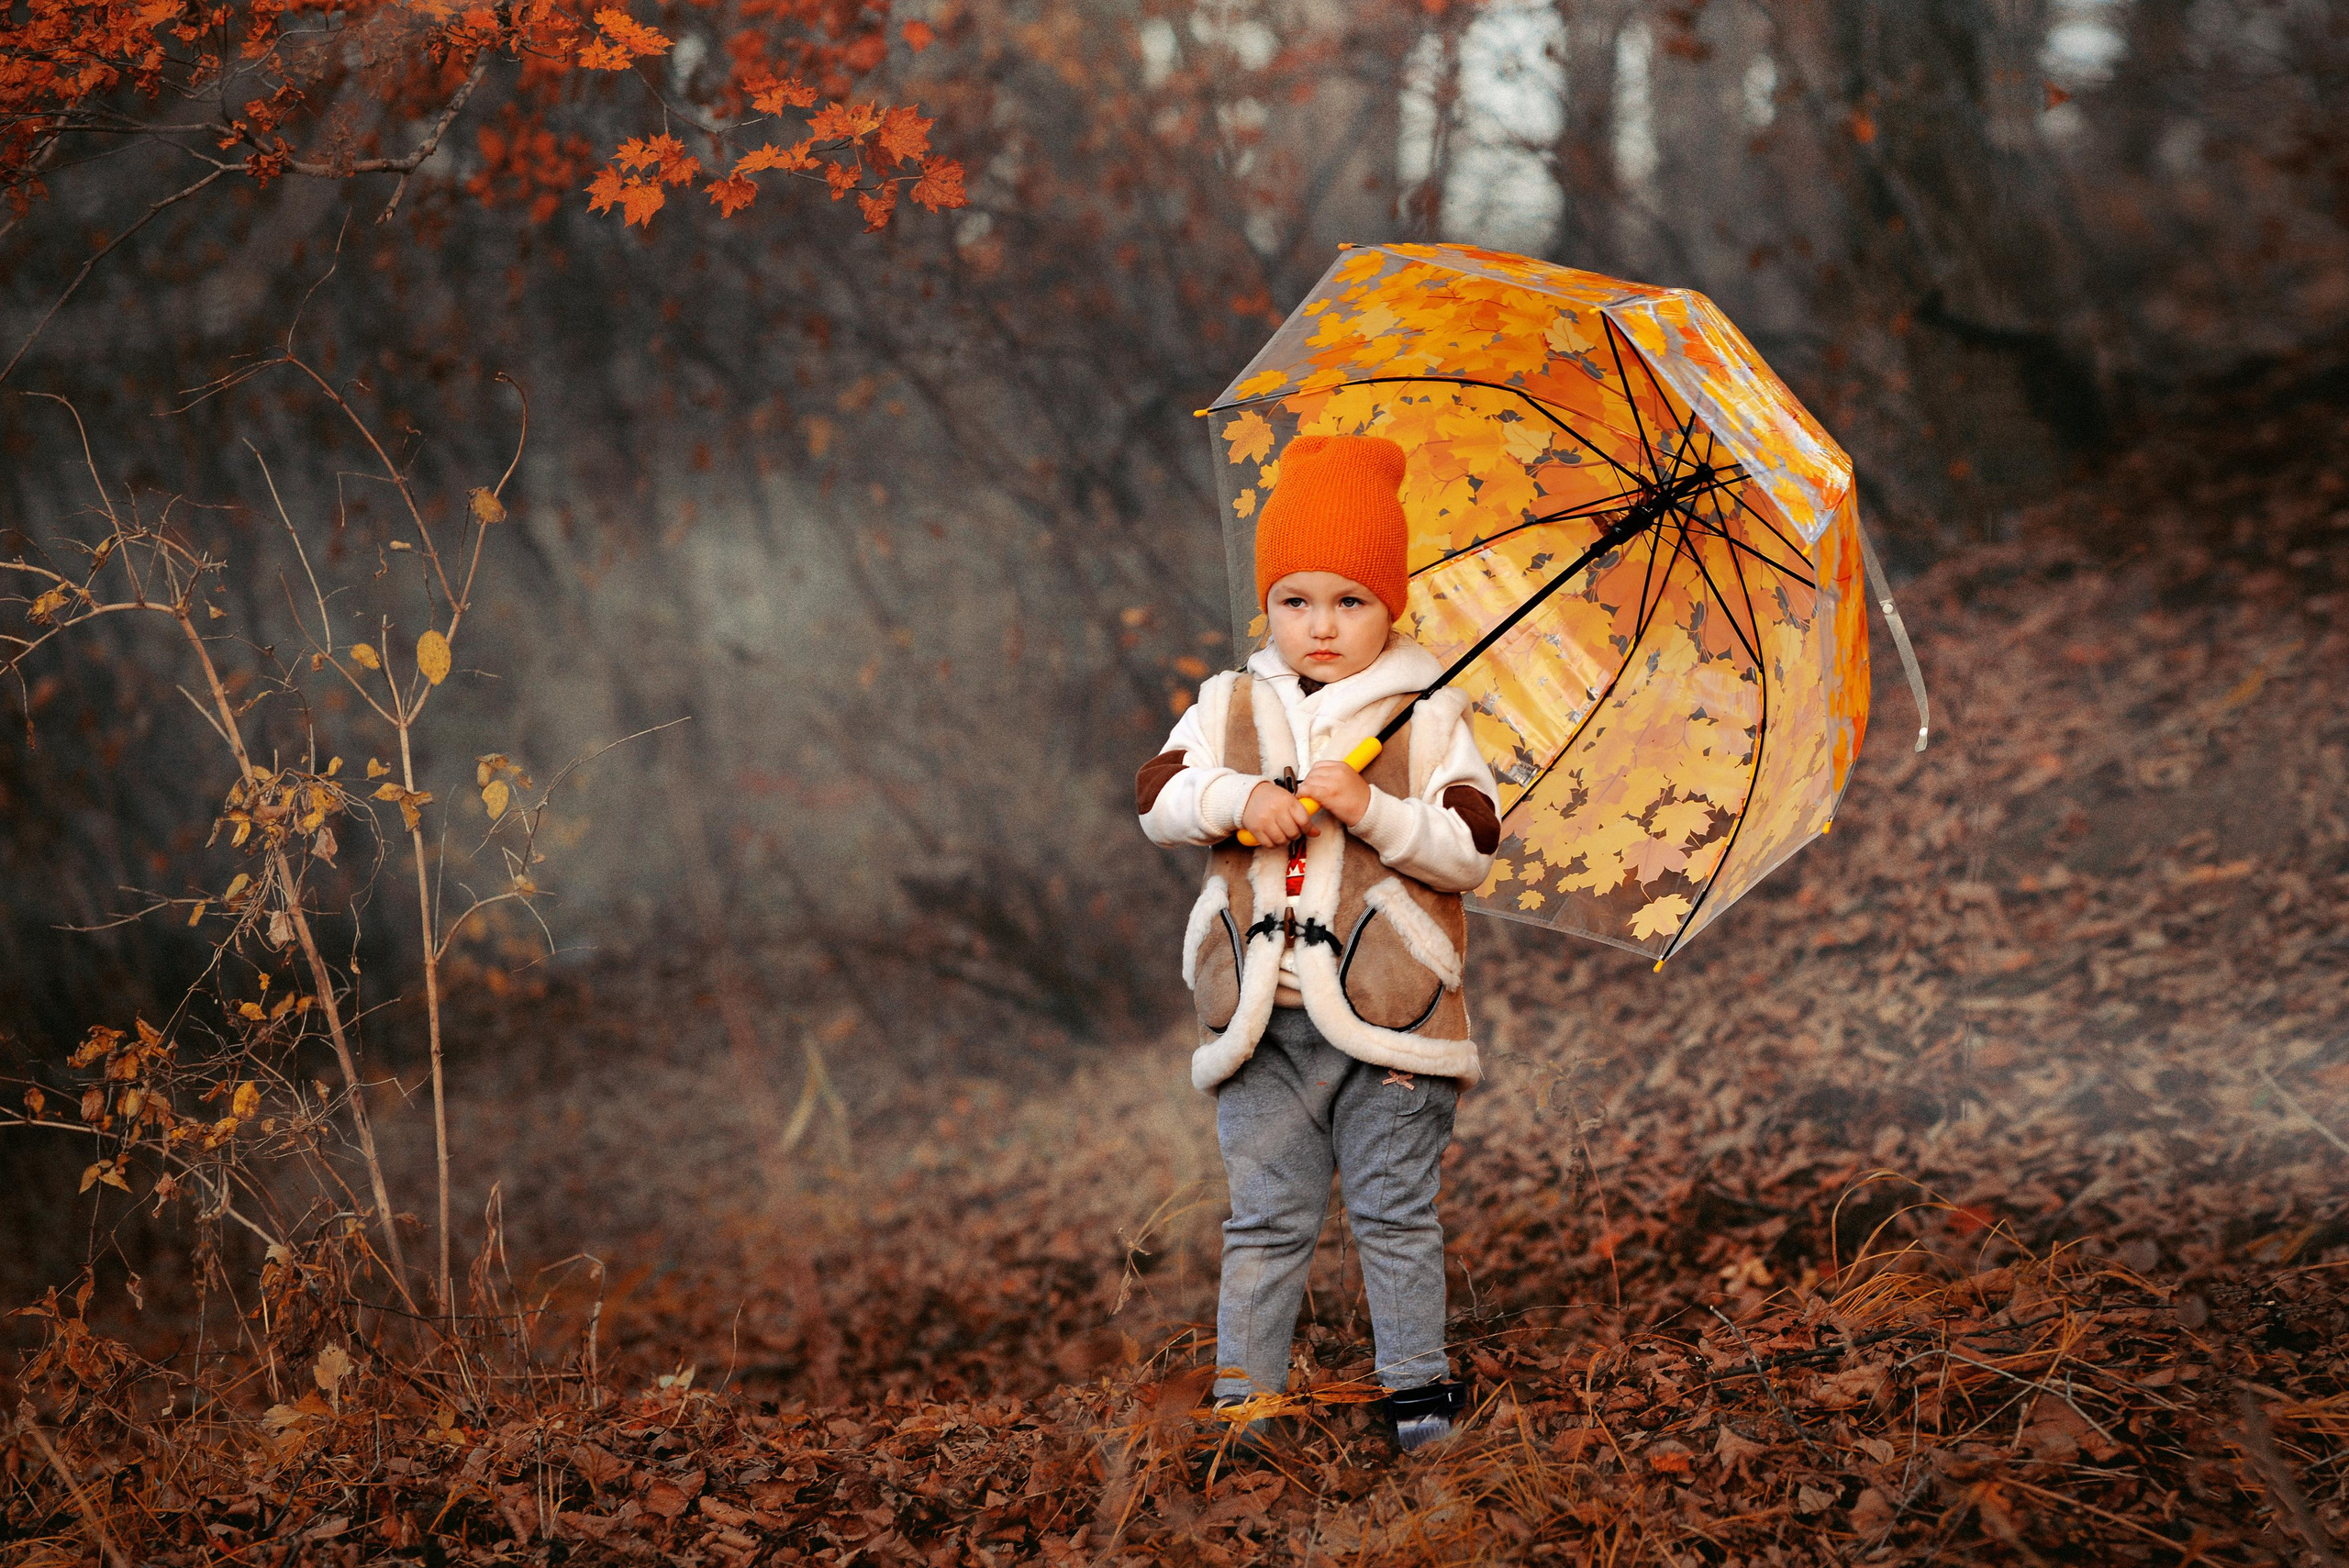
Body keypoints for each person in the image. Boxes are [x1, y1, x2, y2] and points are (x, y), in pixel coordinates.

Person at [1134, 432, 1501, 1454]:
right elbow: (1158, 796)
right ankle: (1246, 1398)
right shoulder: (1228, 703)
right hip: (1259, 1016)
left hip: (1391, 1016)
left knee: (1391, 1210)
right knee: (1264, 1215)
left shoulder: (1428, 713)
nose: (1322, 625)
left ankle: (1416, 1395)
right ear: (1268, 605)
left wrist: (1375, 812)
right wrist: (1241, 796)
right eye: (1296, 600)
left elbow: (1472, 842)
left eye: (1350, 600)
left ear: (1391, 604)